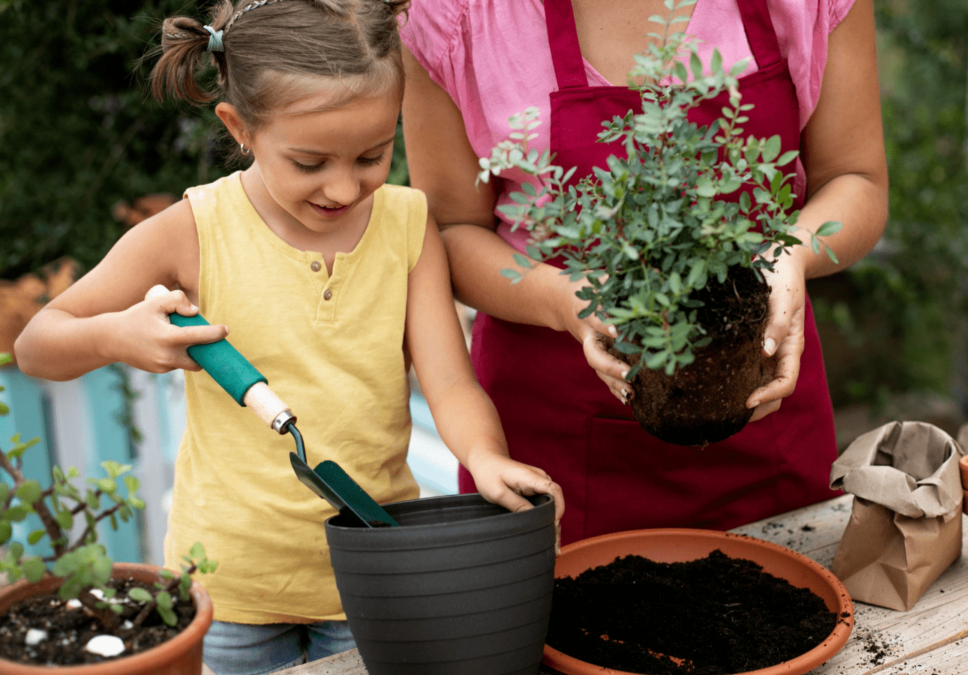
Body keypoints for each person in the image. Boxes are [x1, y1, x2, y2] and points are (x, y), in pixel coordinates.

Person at [14, 0, 564, 672]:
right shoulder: (195, 229)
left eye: (371, 154)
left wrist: (485, 454)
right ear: (238, 127)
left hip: (375, 575)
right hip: (231, 588)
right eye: (309, 162)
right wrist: (121, 336)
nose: (343, 186)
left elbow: (449, 382)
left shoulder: (406, 223)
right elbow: (38, 342)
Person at [399, 0, 888, 544]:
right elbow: (448, 231)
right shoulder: (454, 15)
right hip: (553, 454)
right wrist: (564, 297)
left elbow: (856, 177)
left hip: (761, 419)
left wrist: (789, 253)